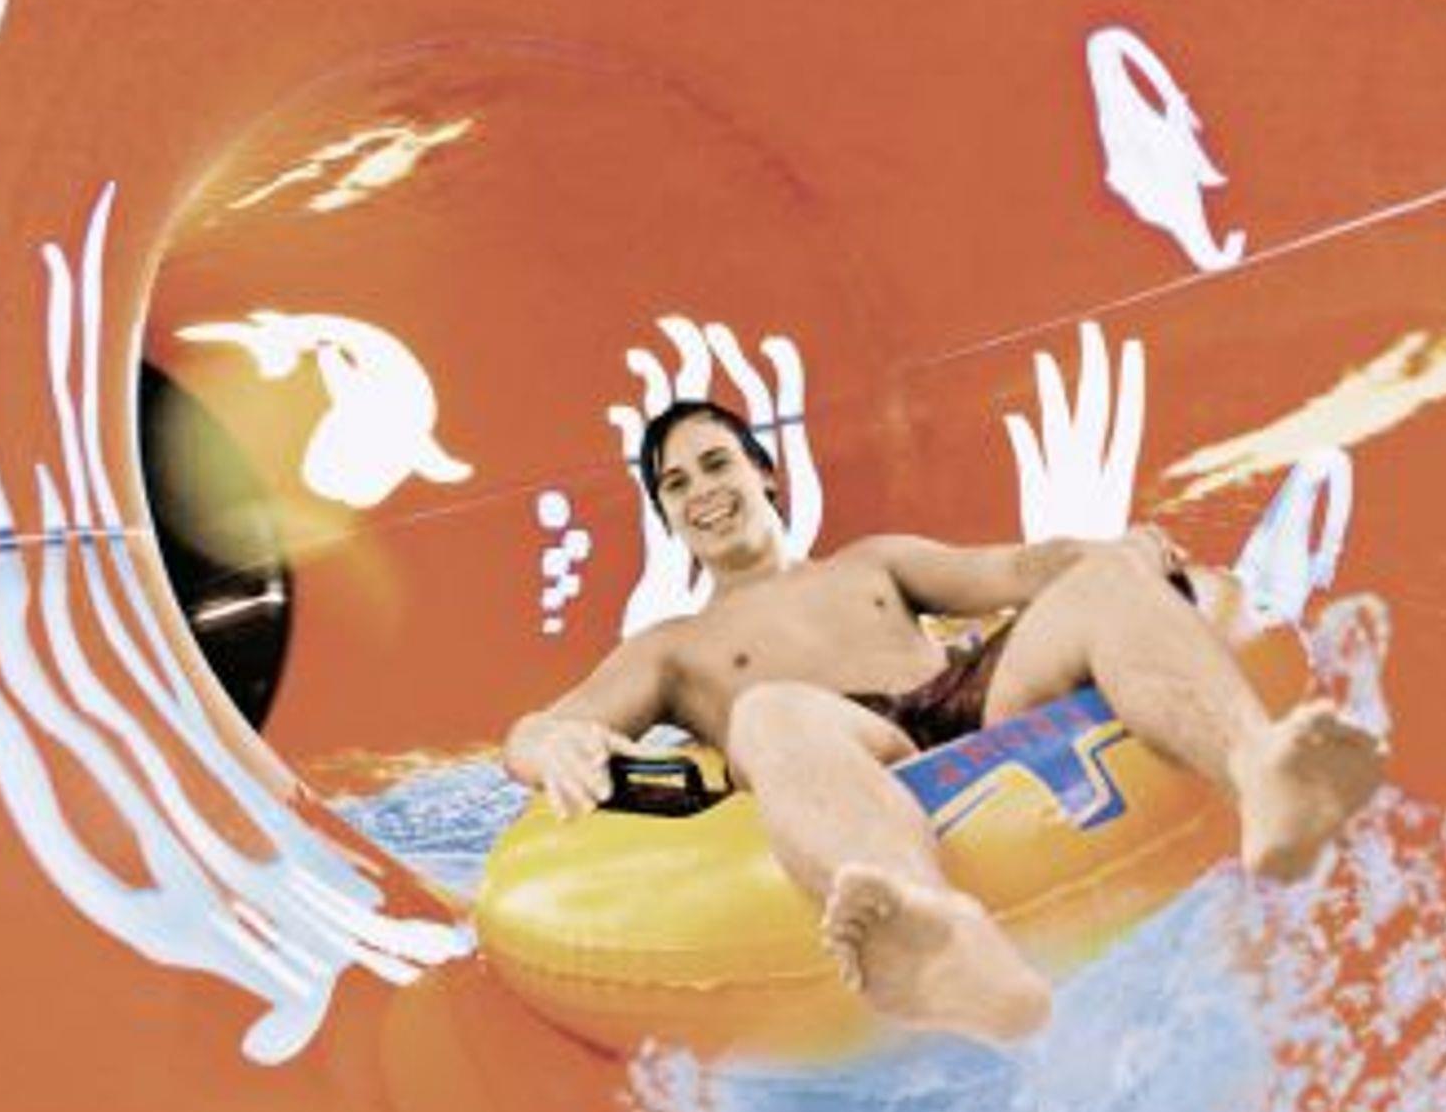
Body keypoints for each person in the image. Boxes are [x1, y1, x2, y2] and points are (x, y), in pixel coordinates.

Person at [504, 399, 1386, 1043]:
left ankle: (1262, 773)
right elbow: (538, 730)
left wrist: (1110, 552)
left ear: (762, 473)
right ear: (665, 516)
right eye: (675, 484)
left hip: (966, 704)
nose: (701, 491)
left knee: (1107, 583)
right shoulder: (671, 647)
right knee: (765, 712)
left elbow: (1016, 571)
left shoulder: (872, 561)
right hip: (849, 749)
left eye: (715, 464)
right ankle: (938, 939)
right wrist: (554, 745)